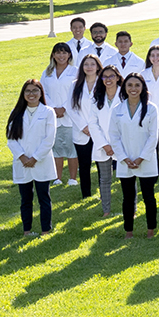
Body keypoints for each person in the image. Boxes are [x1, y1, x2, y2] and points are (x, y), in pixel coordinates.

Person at [110, 73, 159, 238]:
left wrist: (141, 158)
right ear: (124, 87)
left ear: (143, 88)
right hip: (125, 160)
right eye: (130, 85)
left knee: (148, 196)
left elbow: (153, 136)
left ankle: (151, 229)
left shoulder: (151, 108)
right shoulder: (117, 110)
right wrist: (124, 158)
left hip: (145, 159)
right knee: (128, 197)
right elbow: (114, 136)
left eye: (137, 85)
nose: (133, 88)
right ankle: (128, 231)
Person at [6, 79, 57, 236]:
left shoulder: (48, 112)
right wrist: (22, 157)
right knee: (26, 200)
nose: (31, 94)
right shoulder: (16, 113)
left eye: (35, 90)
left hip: (41, 162)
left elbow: (49, 139)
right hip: (22, 163)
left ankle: (45, 230)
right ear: (23, 94)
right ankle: (27, 230)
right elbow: (11, 139)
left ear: (41, 93)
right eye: (28, 91)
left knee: (44, 198)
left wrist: (34, 158)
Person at [40, 43, 79, 187]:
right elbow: (43, 91)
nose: (61, 56)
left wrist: (64, 108)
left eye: (64, 53)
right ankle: (57, 177)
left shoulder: (75, 71)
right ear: (53, 55)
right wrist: (53, 108)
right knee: (56, 148)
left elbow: (76, 92)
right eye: (58, 52)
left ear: (69, 55)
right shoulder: (47, 72)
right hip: (53, 114)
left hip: (70, 115)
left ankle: (73, 178)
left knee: (71, 148)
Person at [87, 64, 123, 217]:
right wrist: (105, 145)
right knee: (105, 179)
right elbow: (93, 124)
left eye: (111, 76)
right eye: (105, 77)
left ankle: (131, 209)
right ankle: (106, 210)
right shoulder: (96, 98)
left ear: (118, 78)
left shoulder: (125, 96)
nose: (108, 79)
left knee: (127, 178)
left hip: (122, 144)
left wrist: (115, 144)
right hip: (102, 146)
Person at [66, 54, 103, 194]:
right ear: (82, 67)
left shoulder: (103, 83)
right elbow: (70, 107)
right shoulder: (75, 84)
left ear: (98, 66)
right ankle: (86, 194)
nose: (89, 67)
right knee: (84, 164)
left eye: (92, 64)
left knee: (102, 165)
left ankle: (103, 193)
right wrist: (83, 126)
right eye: (86, 64)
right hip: (82, 132)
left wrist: (94, 127)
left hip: (99, 130)